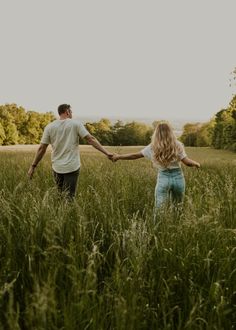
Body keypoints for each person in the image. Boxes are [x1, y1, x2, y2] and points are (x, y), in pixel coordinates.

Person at [28, 104, 113, 199]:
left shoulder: (49, 127)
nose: (72, 113)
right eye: (71, 111)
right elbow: (90, 139)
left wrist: (33, 166)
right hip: (72, 167)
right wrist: (107, 153)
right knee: (69, 198)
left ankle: (60, 212)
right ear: (67, 111)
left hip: (57, 167)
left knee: (60, 195)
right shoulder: (75, 124)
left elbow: (42, 148)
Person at [111, 121, 200, 208]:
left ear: (156, 134)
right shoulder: (178, 145)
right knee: (178, 207)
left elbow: (135, 155)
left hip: (163, 178)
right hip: (178, 178)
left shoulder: (152, 147)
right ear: (170, 132)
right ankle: (176, 222)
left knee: (159, 209)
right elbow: (187, 162)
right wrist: (196, 164)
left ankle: (160, 222)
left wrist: (118, 157)